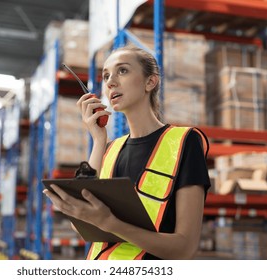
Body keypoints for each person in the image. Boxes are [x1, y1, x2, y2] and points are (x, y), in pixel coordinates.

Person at [43, 45, 211, 260]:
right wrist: (98, 139)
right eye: (106, 76)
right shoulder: (111, 149)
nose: (111, 81)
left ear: (150, 82)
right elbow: (85, 228)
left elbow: (184, 248)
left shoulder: (184, 142)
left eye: (122, 71)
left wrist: (110, 223)